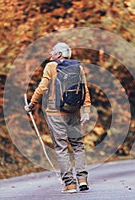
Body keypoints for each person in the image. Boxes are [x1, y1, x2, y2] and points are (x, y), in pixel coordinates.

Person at [24, 42, 91, 193]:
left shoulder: (51, 66)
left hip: (55, 113)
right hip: (74, 112)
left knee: (61, 148)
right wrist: (86, 110)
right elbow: (85, 89)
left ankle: (70, 184)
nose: (50, 52)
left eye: (53, 50)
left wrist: (31, 105)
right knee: (78, 146)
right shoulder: (78, 67)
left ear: (59, 54)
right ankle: (82, 180)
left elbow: (42, 87)